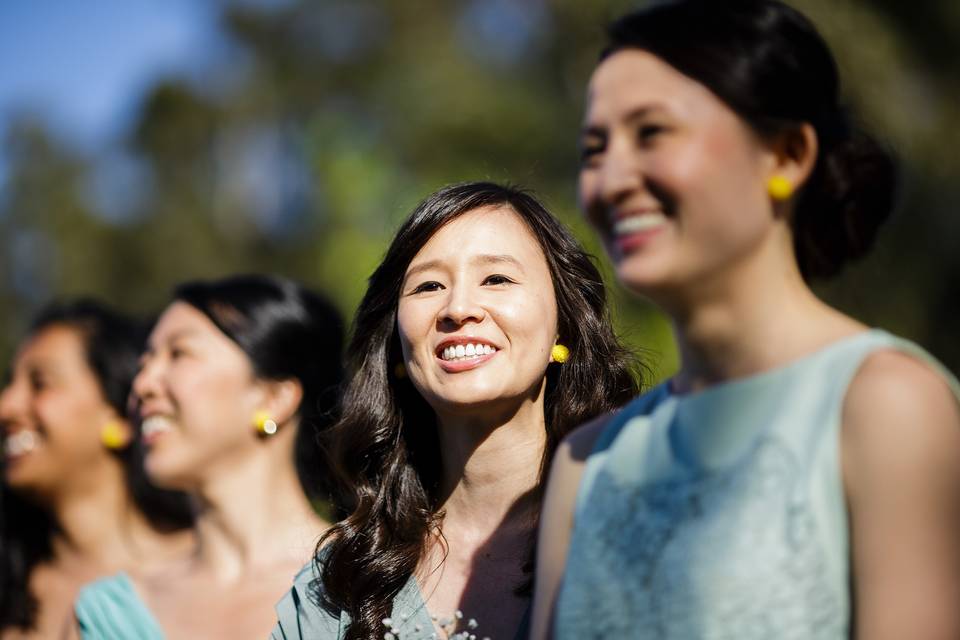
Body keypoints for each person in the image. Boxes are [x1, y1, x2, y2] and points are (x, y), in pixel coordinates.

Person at [530, 1, 960, 638]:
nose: (614, 179)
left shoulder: (886, 404)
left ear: (786, 155)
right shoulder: (586, 464)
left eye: (652, 133)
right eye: (595, 148)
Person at [271, 182, 641, 640]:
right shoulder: (337, 585)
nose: (459, 308)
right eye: (429, 285)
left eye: (497, 279)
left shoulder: (646, 530)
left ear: (562, 324)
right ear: (397, 346)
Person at [74, 275, 344, 639]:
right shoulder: (105, 615)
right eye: (144, 363)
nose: (142, 386)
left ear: (274, 399)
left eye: (179, 353)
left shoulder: (367, 579)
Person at [0, 300, 193, 639]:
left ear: (121, 418)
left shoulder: (207, 570)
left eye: (40, 383)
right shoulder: (11, 587)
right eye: (9, 383)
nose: (6, 407)